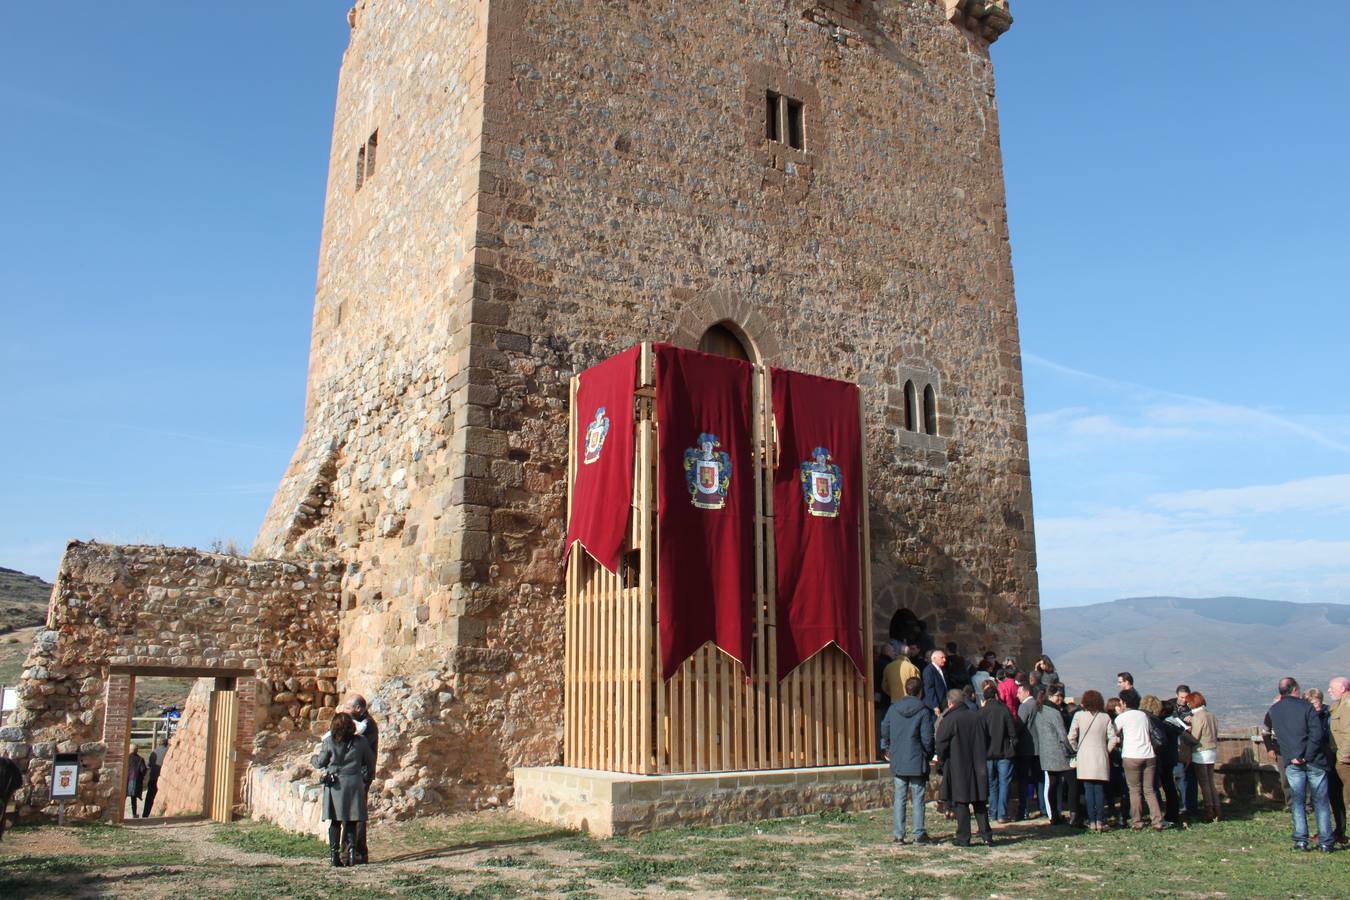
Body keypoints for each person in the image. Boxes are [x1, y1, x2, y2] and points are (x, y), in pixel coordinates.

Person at [1266, 677, 1334, 852]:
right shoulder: (1306, 707)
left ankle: (1301, 840)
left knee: (1297, 801)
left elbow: (1281, 736)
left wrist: (1294, 756)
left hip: (1291, 761)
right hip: (1314, 761)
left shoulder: (1274, 710)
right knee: (1320, 801)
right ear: (1295, 690)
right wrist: (1307, 755)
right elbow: (1316, 734)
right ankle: (1326, 841)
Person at [312, 711, 377, 867]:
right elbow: (370, 760)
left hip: (335, 785)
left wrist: (313, 758)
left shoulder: (328, 742)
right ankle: (352, 854)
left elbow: (320, 762)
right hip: (354, 783)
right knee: (351, 820)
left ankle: (334, 856)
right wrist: (366, 777)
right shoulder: (360, 742)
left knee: (335, 821)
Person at [879, 676, 935, 845]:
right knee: (918, 797)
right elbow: (927, 738)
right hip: (917, 758)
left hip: (899, 757)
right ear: (920, 692)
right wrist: (928, 754)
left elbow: (885, 728)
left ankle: (899, 834)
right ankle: (918, 833)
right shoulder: (924, 711)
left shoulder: (894, 708)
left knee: (900, 797)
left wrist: (888, 746)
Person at [936, 688, 993, 847]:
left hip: (958, 764)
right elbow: (988, 739)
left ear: (950, 702)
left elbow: (941, 743)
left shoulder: (950, 719)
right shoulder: (978, 717)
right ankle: (986, 835)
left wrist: (942, 760)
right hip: (978, 763)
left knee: (961, 802)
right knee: (979, 801)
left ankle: (963, 837)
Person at [1068, 690, 1119, 832]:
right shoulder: (1105, 717)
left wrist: (1077, 749)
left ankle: (1091, 821)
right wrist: (1106, 750)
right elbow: (1113, 738)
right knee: (1099, 789)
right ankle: (1100, 820)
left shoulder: (1078, 716)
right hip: (1100, 756)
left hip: (1084, 757)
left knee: (1088, 789)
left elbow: (1071, 736)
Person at [1114, 690, 1164, 830]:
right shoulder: (1143, 715)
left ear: (1123, 703)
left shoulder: (1123, 717)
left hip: (1131, 755)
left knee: (1134, 790)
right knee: (1149, 790)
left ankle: (1137, 821)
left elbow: (1113, 733)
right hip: (1149, 755)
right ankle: (1157, 820)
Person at [343, 694, 379, 864]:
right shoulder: (360, 723)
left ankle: (357, 851)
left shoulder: (368, 725)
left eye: (349, 708)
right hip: (355, 774)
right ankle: (351, 850)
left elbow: (358, 747)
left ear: (358, 708)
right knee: (350, 812)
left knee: (357, 813)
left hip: (361, 775)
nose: (346, 711)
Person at [1032, 687, 1073, 825]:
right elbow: (1062, 734)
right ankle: (1073, 814)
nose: (1060, 699)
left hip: (1046, 752)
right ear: (1050, 696)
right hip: (1059, 752)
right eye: (1058, 696)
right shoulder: (1054, 712)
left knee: (1052, 784)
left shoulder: (1039, 711)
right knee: (1071, 783)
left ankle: (1054, 815)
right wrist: (1071, 749)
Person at [979, 680, 1017, 823]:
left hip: (987, 754)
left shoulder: (981, 712)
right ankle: (1002, 813)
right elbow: (1012, 732)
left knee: (992, 784)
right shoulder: (1004, 709)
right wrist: (1013, 745)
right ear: (996, 695)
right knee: (1004, 783)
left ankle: (993, 812)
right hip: (1004, 752)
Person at [1144, 695, 1182, 827]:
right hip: (1171, 758)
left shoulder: (1162, 724)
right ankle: (1173, 813)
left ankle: (1162, 813)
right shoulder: (1174, 724)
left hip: (1163, 759)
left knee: (1158, 787)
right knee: (1169, 787)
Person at [1184, 690, 1220, 822]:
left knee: (1204, 783)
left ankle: (1209, 811)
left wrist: (1186, 730)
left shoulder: (1197, 717)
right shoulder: (1211, 715)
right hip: (1212, 750)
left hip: (1200, 751)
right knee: (1211, 782)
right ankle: (1217, 809)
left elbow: (1194, 738)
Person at [1328, 676, 1350, 845]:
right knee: (1336, 796)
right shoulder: (1337, 706)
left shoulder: (1347, 705)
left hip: (1344, 759)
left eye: (1332, 688)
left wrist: (1344, 757)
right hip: (1338, 757)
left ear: (1342, 688)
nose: (1329, 691)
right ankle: (1340, 830)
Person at [1014, 681, 1040, 820]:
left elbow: (1019, 726)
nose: (1017, 696)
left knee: (1024, 781)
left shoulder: (1024, 707)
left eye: (1019, 692)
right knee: (1039, 780)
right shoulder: (1038, 705)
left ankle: (1023, 809)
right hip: (1039, 748)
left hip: (1025, 748)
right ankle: (1043, 807)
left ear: (1026, 692)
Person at [1174, 684, 1199, 818]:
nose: (1184, 700)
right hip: (1179, 749)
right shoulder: (1173, 709)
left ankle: (1192, 806)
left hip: (1192, 748)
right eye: (1181, 697)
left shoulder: (1193, 710)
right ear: (1177, 695)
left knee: (1191, 778)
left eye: (1186, 697)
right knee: (1181, 778)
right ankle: (1183, 807)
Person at [142, 738, 168, 818]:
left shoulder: (154, 752)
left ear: (158, 743)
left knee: (149, 797)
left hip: (153, 777)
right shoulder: (168, 751)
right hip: (163, 778)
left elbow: (149, 764)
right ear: (166, 743)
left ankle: (145, 814)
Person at [922, 649, 949, 715]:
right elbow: (929, 689)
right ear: (934, 658)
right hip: (937, 707)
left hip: (944, 703)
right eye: (942, 658)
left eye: (944, 657)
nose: (944, 660)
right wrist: (935, 706)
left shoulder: (941, 669)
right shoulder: (929, 670)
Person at [126, 747, 148, 818]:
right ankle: (134, 814)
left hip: (126, 780)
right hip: (135, 780)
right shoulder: (140, 759)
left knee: (123, 797)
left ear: (129, 750)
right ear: (137, 750)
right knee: (133, 799)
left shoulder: (126, 758)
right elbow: (143, 770)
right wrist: (141, 777)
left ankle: (119, 813)